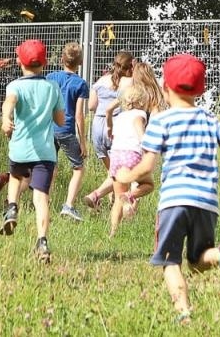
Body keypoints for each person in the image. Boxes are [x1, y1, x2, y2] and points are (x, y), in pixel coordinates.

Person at [114, 54, 220, 325]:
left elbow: (146, 167)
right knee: (198, 260)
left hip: (174, 202)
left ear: (165, 88)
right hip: (206, 203)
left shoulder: (162, 122)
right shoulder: (209, 119)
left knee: (170, 261)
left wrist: (125, 174)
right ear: (200, 90)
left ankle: (184, 313)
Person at [0, 40, 65, 262]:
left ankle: (12, 208)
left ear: (19, 61)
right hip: (45, 152)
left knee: (16, 178)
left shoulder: (15, 86)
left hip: (20, 148)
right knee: (41, 197)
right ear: (44, 63)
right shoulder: (52, 87)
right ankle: (42, 241)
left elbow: (10, 102)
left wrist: (6, 118)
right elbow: (59, 119)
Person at [108, 69, 162, 237]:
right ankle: (129, 195)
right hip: (132, 157)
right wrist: (148, 148)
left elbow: (114, 136)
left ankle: (113, 233)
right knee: (148, 185)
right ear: (140, 102)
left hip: (116, 158)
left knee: (117, 198)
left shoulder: (120, 117)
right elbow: (140, 135)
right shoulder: (139, 115)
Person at [83, 50, 135, 211]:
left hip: (97, 128)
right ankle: (97, 196)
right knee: (120, 173)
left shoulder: (101, 81)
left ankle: (110, 204)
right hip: (115, 127)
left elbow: (91, 106)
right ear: (130, 67)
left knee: (113, 171)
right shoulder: (129, 82)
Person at [45, 42, 91, 221]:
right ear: (80, 62)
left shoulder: (50, 77)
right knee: (78, 168)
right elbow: (79, 114)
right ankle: (69, 206)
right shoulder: (80, 83)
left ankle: (44, 203)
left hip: (49, 128)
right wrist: (83, 142)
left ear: (62, 58)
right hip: (66, 129)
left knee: (50, 167)